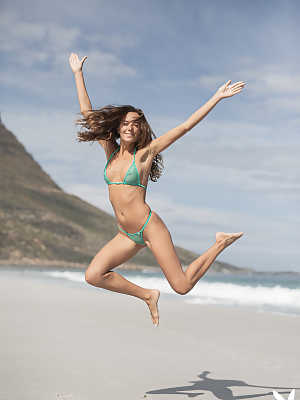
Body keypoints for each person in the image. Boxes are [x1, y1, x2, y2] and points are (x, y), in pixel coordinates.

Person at [69, 52, 245, 327]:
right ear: (118, 127)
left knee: (182, 285)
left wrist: (216, 97)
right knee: (94, 275)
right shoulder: (110, 151)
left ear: (140, 131)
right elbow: (88, 115)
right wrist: (78, 73)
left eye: (135, 124)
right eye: (125, 123)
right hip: (126, 234)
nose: (129, 127)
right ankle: (147, 295)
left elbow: (185, 127)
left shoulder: (145, 154)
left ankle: (220, 242)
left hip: (149, 227)